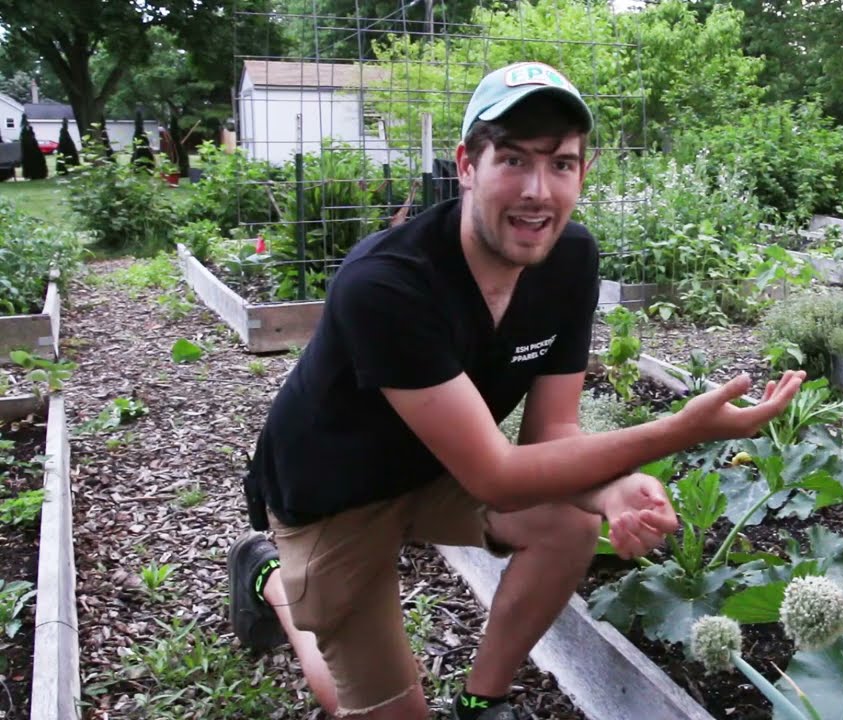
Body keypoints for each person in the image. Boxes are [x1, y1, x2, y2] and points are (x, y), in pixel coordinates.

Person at [227, 60, 806, 720]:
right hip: (334, 496)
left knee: (569, 524)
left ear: (583, 174)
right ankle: (271, 576)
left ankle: (484, 700)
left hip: (442, 469)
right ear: (467, 165)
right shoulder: (386, 284)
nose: (538, 190)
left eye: (560, 163)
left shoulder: (569, 261)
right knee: (370, 704)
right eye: (513, 159)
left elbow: (552, 437)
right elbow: (500, 477)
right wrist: (679, 429)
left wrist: (611, 489)